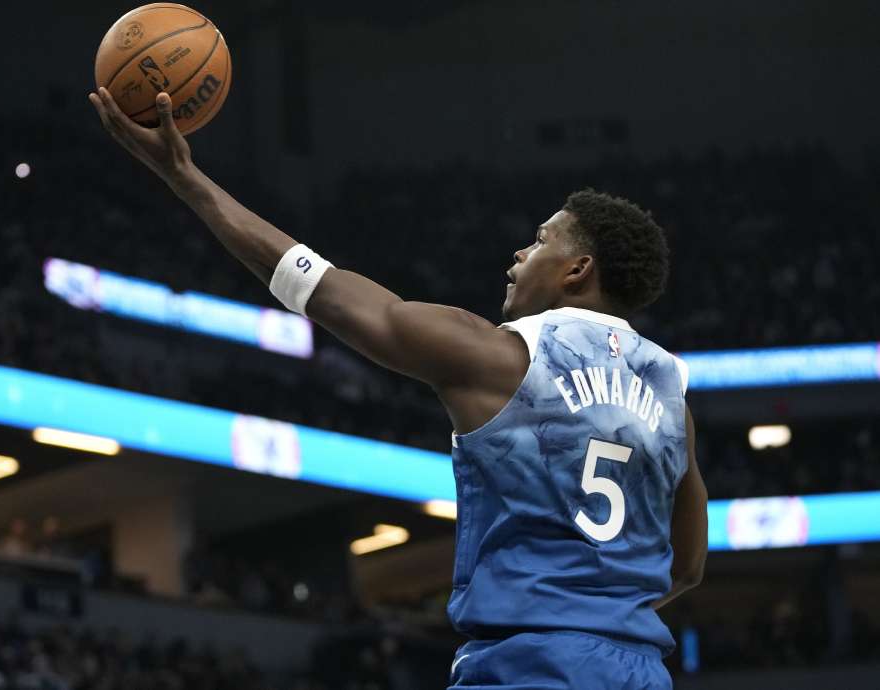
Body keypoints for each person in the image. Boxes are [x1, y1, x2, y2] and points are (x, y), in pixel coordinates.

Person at [87, 89, 708, 690]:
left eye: (542, 239)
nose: (520, 252)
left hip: (531, 665)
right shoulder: (670, 392)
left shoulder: (499, 355)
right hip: (637, 671)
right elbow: (687, 566)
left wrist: (186, 180)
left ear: (578, 270)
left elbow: (322, 289)